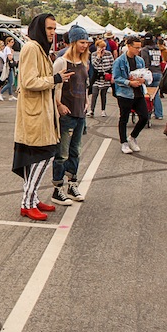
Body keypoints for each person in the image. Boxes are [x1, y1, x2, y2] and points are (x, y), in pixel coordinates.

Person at [13, 13, 73, 221]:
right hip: (34, 114)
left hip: (41, 112)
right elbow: (29, 81)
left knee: (38, 157)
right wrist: (55, 78)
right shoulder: (31, 48)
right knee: (44, 154)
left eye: (54, 29)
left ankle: (32, 199)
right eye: (49, 29)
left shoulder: (40, 49)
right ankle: (27, 202)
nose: (52, 33)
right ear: (40, 28)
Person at [51, 25, 90, 205]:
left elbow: (84, 84)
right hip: (66, 113)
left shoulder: (84, 63)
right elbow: (53, 86)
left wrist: (87, 101)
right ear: (74, 42)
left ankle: (72, 183)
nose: (85, 45)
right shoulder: (61, 62)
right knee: (62, 153)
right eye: (82, 42)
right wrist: (58, 105)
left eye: (86, 42)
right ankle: (57, 188)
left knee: (76, 151)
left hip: (80, 110)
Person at [112, 36, 149, 154]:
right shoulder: (119, 61)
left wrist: (143, 80)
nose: (138, 50)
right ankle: (124, 143)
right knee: (124, 118)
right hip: (124, 93)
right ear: (128, 46)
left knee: (144, 116)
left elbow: (144, 74)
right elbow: (116, 78)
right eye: (136, 47)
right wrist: (129, 82)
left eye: (140, 47)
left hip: (139, 93)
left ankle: (132, 137)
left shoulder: (140, 60)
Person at [140, 34, 164, 122]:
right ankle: (159, 114)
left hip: (149, 73)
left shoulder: (144, 50)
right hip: (158, 72)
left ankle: (146, 112)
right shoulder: (157, 49)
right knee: (156, 94)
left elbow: (144, 62)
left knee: (146, 94)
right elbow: (161, 61)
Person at [89, 39, 114, 118]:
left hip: (106, 76)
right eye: (101, 47)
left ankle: (103, 110)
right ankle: (92, 110)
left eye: (104, 47)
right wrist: (99, 56)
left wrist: (112, 75)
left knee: (103, 94)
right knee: (94, 93)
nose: (103, 49)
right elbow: (94, 65)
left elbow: (112, 64)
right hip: (97, 77)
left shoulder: (108, 54)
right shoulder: (93, 54)